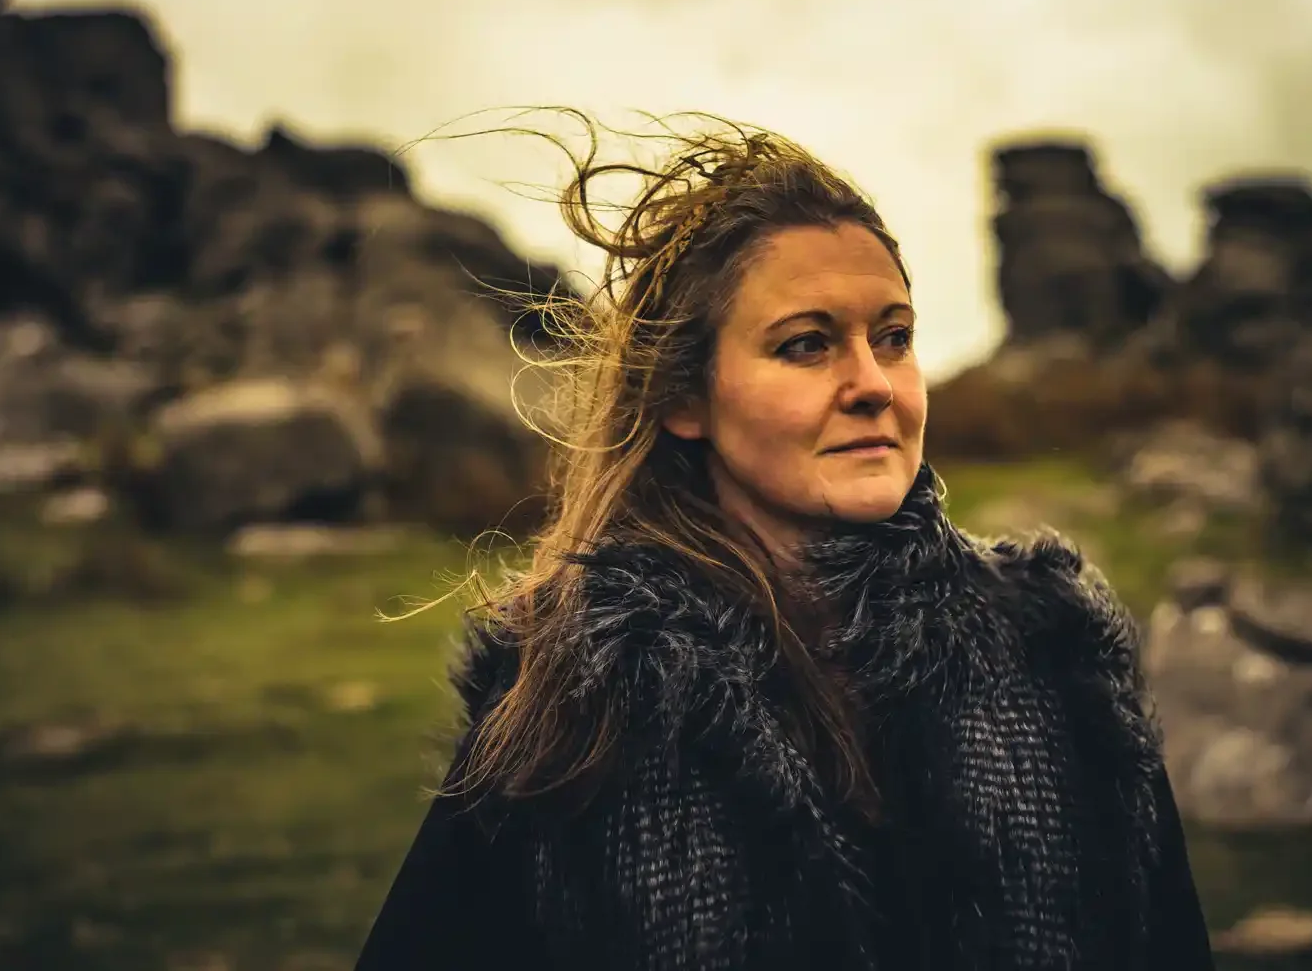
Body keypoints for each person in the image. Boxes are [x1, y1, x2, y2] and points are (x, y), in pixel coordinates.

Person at [354, 113, 1214, 971]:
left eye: (895, 337)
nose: (874, 385)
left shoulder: (1054, 651)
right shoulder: (580, 685)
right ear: (686, 400)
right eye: (806, 346)